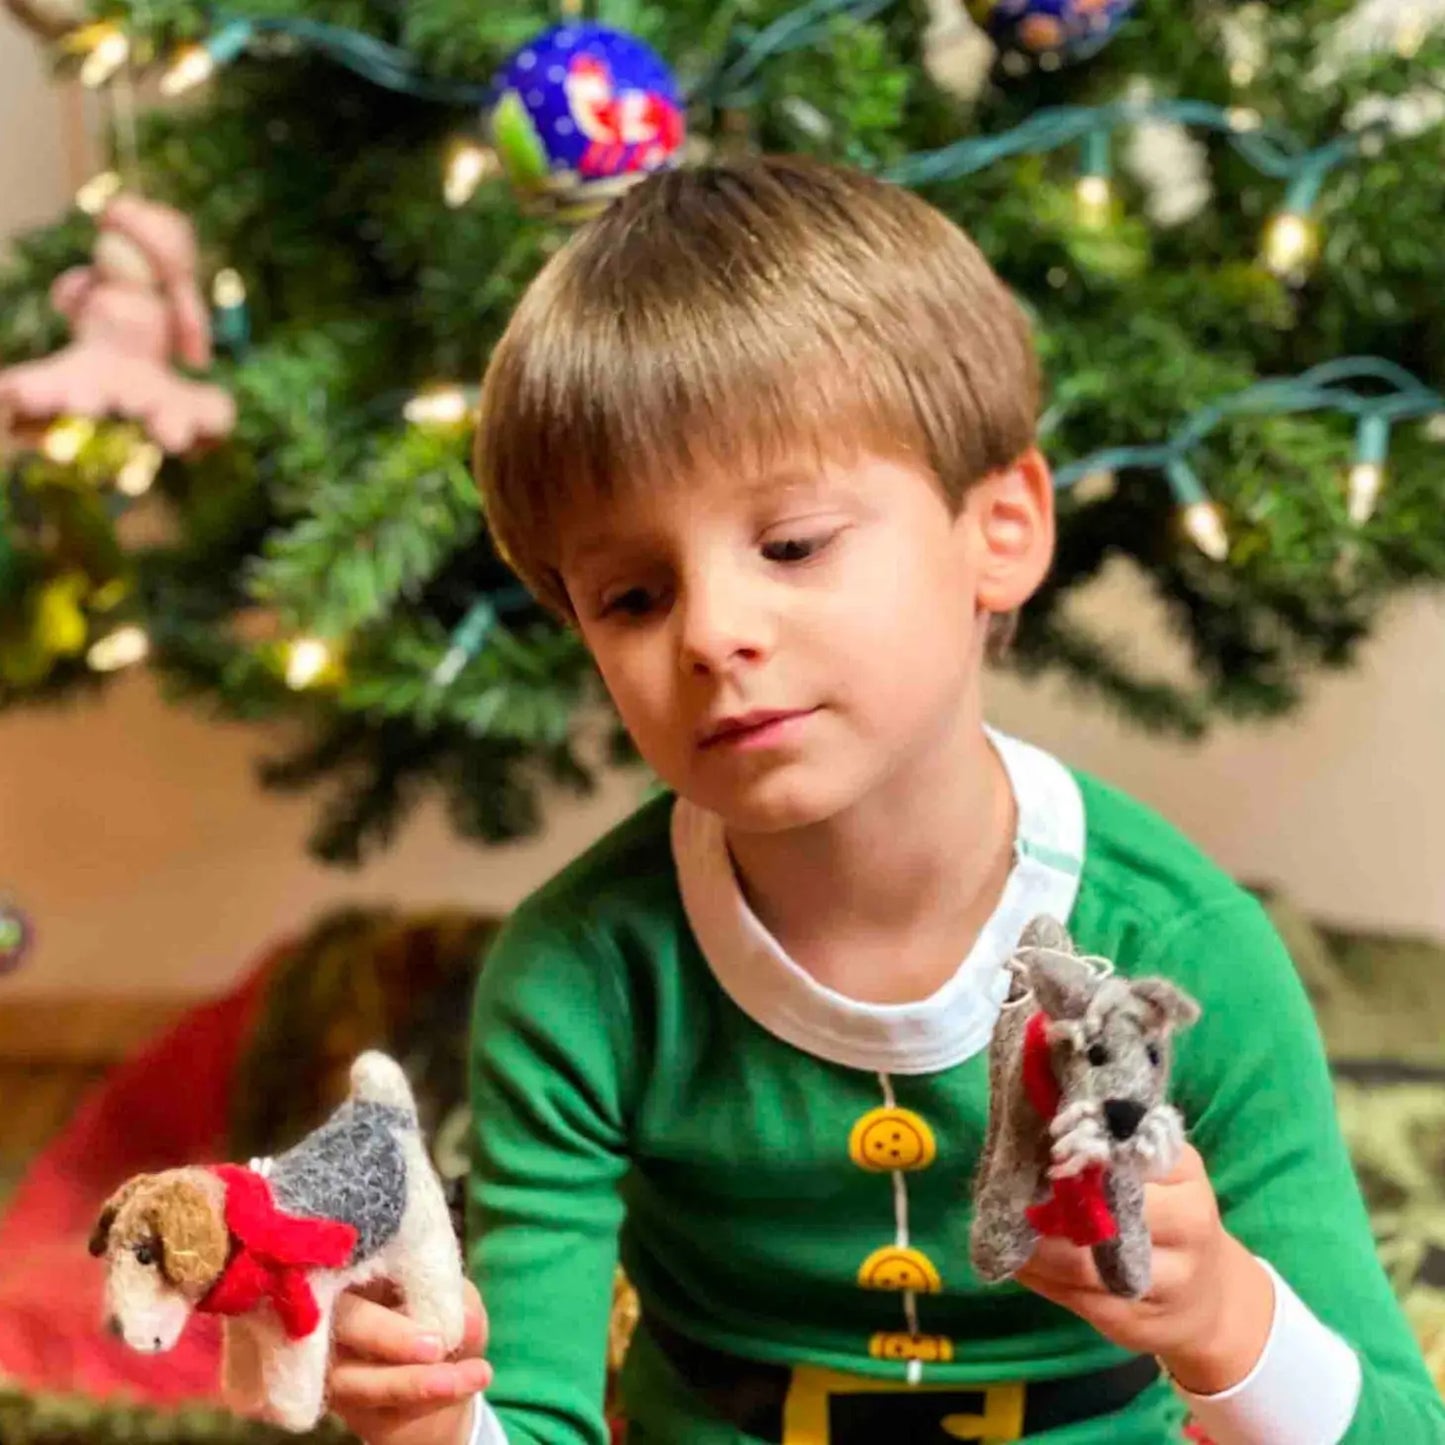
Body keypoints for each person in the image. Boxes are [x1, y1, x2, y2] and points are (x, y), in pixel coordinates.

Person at [308, 155, 1445, 1444]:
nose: (714, 633)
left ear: (1000, 529)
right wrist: (435, 1426)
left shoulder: (1190, 952)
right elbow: (536, 1419)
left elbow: (1402, 1425)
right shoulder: (580, 977)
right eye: (633, 596)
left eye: (792, 545)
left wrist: (1227, 1315)